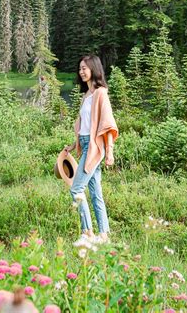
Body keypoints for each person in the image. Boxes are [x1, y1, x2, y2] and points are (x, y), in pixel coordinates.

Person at [64, 54, 118, 245]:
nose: (82, 71)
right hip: (86, 144)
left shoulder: (101, 93)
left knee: (76, 188)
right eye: (80, 68)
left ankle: (87, 232)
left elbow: (108, 124)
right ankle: (104, 235)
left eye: (85, 68)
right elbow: (84, 125)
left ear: (94, 69)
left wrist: (109, 152)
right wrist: (73, 145)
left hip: (95, 147)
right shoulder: (86, 95)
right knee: (96, 193)